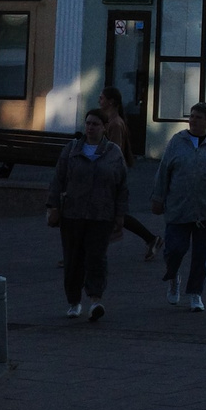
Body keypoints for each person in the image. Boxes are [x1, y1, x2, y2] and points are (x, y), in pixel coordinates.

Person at [153, 102, 206, 312]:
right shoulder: (177, 141)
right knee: (174, 249)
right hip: (178, 207)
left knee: (202, 255)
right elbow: (164, 170)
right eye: (191, 116)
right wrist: (158, 197)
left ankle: (196, 293)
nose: (193, 120)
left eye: (199, 117)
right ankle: (173, 277)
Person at [47, 106, 128, 319]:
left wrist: (120, 214)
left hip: (101, 215)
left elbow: (122, 186)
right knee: (73, 260)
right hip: (72, 214)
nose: (90, 128)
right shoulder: (72, 149)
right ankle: (74, 301)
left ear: (104, 127)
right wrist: (53, 207)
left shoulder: (113, 153)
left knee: (96, 258)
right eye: (88, 123)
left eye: (95, 124)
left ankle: (95, 300)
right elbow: (58, 179)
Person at [98, 88, 159, 260]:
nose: (99, 100)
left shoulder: (115, 124)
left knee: (110, 214)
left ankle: (84, 252)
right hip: (107, 173)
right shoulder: (109, 121)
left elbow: (114, 152)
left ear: (111, 101)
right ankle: (151, 239)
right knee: (111, 214)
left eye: (102, 98)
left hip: (111, 176)